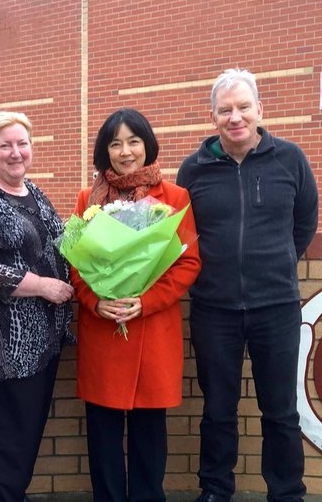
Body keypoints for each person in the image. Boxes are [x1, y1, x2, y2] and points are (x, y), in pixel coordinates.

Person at [176, 69, 318, 502]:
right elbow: (181, 235)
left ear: (260, 110)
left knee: (281, 412)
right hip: (213, 309)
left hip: (275, 307)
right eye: (225, 110)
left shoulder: (290, 159)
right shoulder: (194, 169)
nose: (235, 117)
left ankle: (287, 493)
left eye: (243, 107)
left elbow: (305, 222)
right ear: (213, 116)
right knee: (218, 410)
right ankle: (216, 490)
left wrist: (275, 263)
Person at [72, 108, 201, 502]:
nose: (125, 151)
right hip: (104, 333)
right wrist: (96, 301)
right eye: (115, 143)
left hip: (151, 330)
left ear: (147, 145)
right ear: (104, 150)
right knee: (103, 434)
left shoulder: (176, 198)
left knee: (149, 434)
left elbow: (189, 261)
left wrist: (144, 301)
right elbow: (74, 262)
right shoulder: (86, 200)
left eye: (133, 141)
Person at [0, 111, 75, 502]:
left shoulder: (35, 193)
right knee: (5, 445)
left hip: (42, 347)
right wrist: (42, 286)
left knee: (25, 441)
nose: (15, 152)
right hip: (1, 349)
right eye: (5, 145)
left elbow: (64, 242)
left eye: (22, 143)